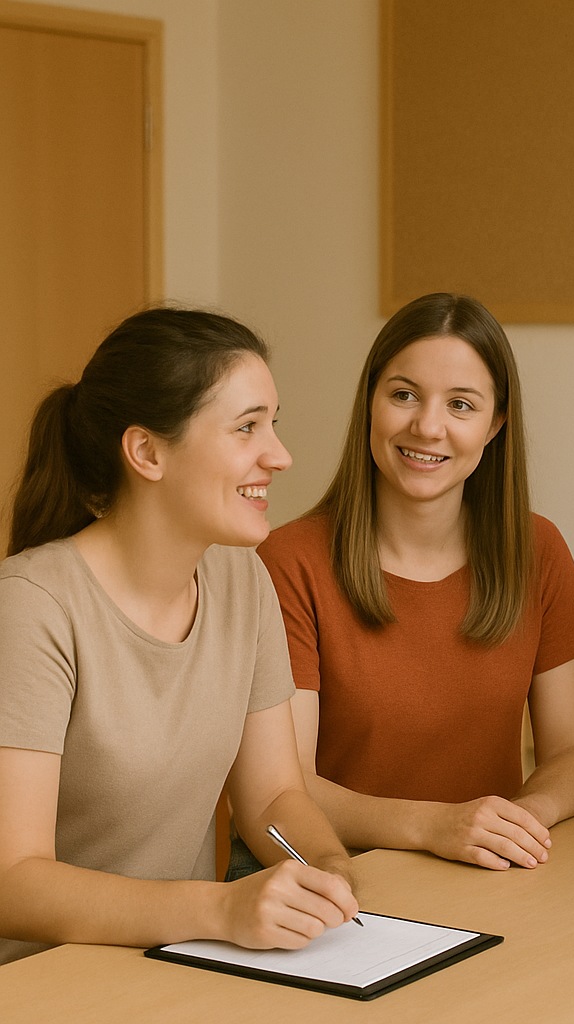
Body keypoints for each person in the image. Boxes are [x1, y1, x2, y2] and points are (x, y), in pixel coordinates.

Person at [0, 308, 360, 966]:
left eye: (272, 424)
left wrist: (330, 870)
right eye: (247, 427)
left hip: (178, 963)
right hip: (42, 983)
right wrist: (219, 908)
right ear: (146, 452)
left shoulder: (241, 578)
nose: (279, 455)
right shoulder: (33, 606)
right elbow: (13, 879)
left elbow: (273, 798)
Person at [229, 292, 574, 877]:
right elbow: (288, 784)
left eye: (461, 405)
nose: (428, 427)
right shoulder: (289, 561)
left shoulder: (539, 549)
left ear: (495, 424)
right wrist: (436, 827)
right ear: (370, 404)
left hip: (481, 870)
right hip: (332, 874)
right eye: (403, 395)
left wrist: (515, 822)